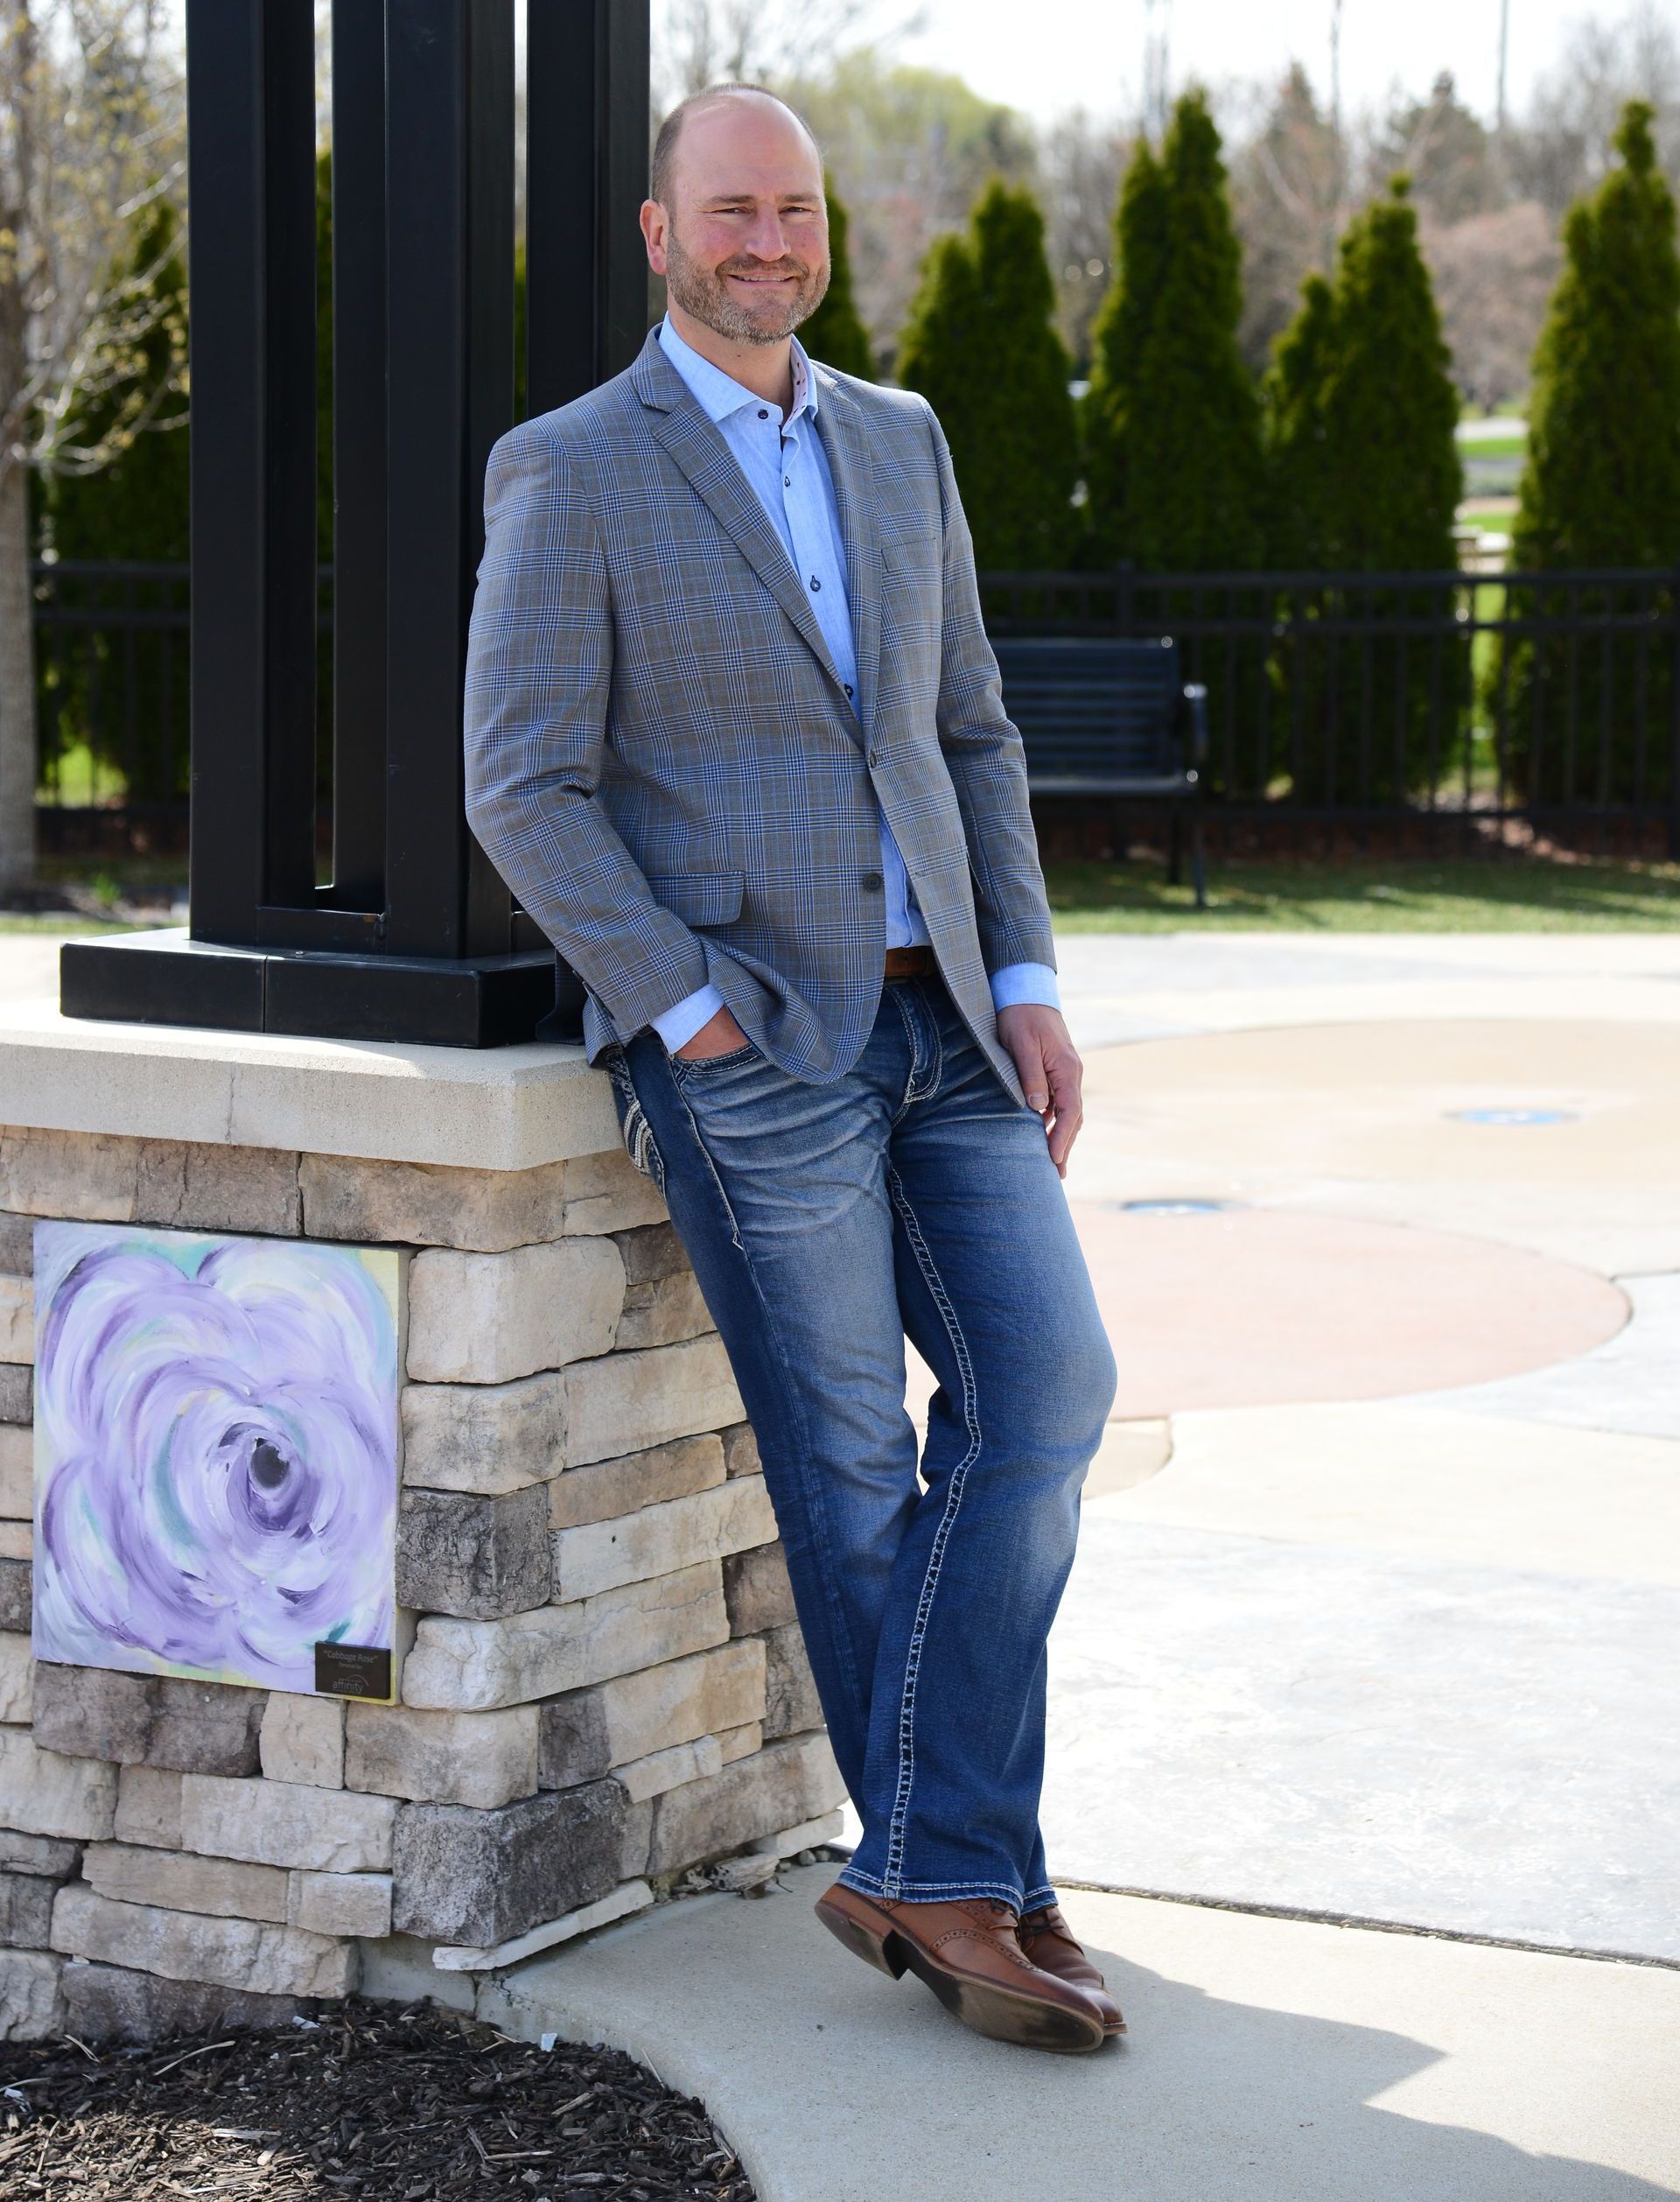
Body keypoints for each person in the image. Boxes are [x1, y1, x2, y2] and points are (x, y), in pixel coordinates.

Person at [464, 82, 1121, 2055]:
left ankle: (937, 1851)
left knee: (1050, 1387)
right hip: (755, 1044)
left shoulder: (901, 441)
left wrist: (1023, 970)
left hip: (944, 1019)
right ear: (660, 237)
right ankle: (973, 1868)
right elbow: (524, 777)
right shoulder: (572, 468)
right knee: (845, 1458)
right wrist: (685, 1006)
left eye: (797, 210)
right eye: (732, 209)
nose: (772, 240)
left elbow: (974, 730)